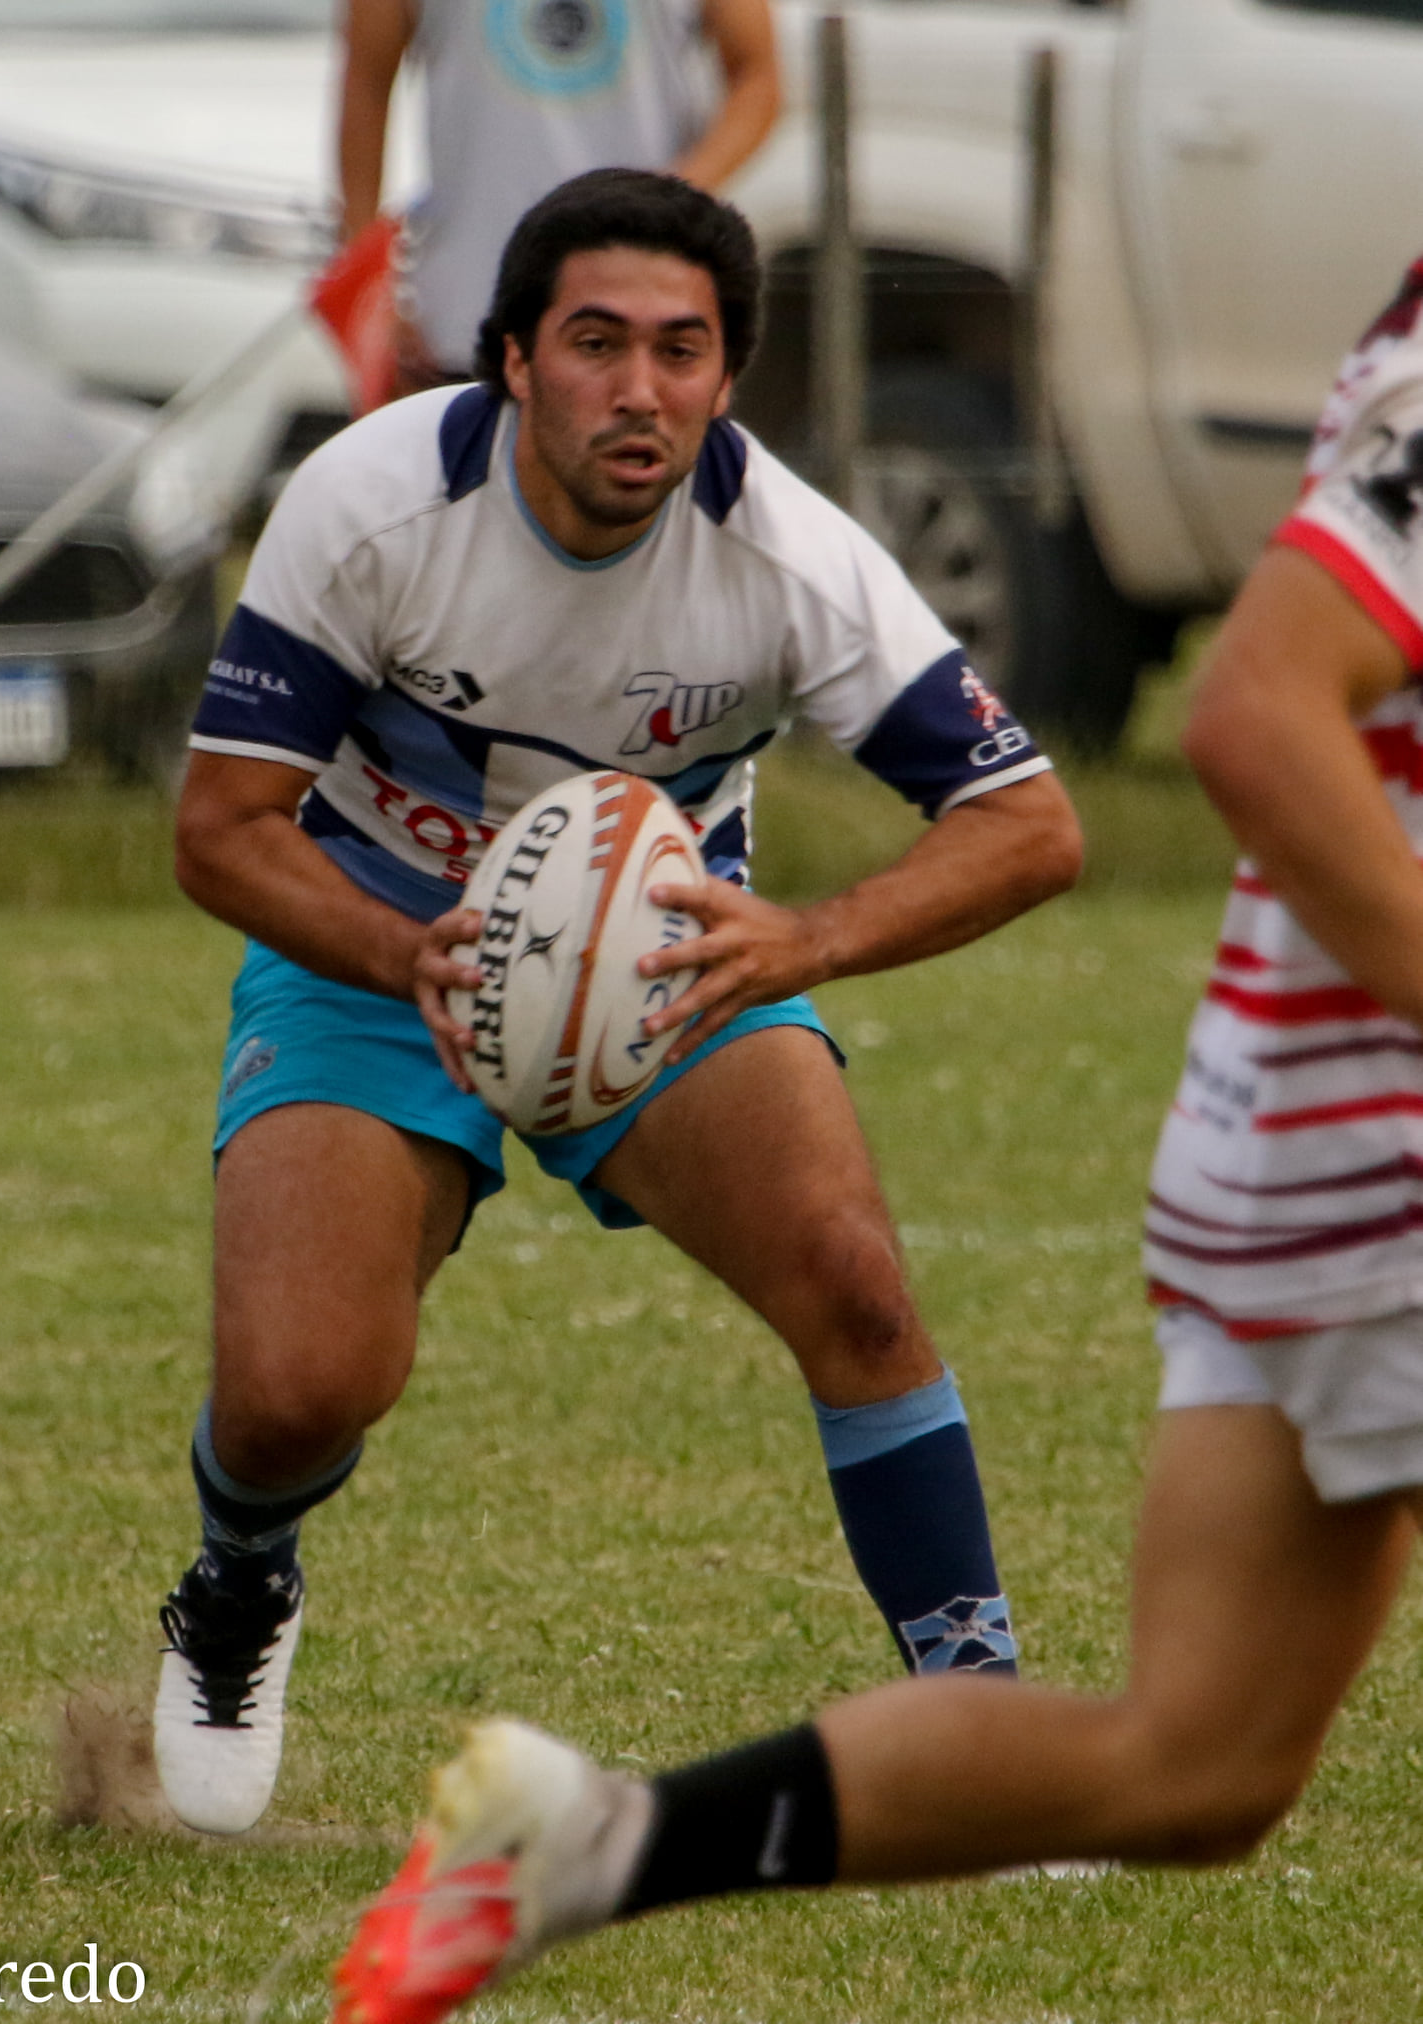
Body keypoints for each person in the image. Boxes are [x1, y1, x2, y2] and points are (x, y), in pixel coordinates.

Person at [326, 257, 1423, 2024]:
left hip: (1309, 1147)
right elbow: (1250, 710)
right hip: (1376, 1156)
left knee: (1192, 1766)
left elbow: (1049, 811)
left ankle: (597, 1843)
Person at [153, 168, 1081, 1838]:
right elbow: (220, 830)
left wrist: (803, 938)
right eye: (594, 343)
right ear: (512, 359)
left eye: (680, 349)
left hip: (665, 963)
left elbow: (1027, 825)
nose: (638, 389)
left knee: (857, 1286)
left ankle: (981, 1734)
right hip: (377, 940)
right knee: (297, 1390)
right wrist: (400, 955)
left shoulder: (788, 555)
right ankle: (239, 1577)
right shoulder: (370, 505)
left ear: (727, 376)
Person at [337, 0, 780, 392]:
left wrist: (663, 206)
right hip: (463, 313)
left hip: (637, 319)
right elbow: (365, 86)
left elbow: (757, 79)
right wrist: (373, 293)